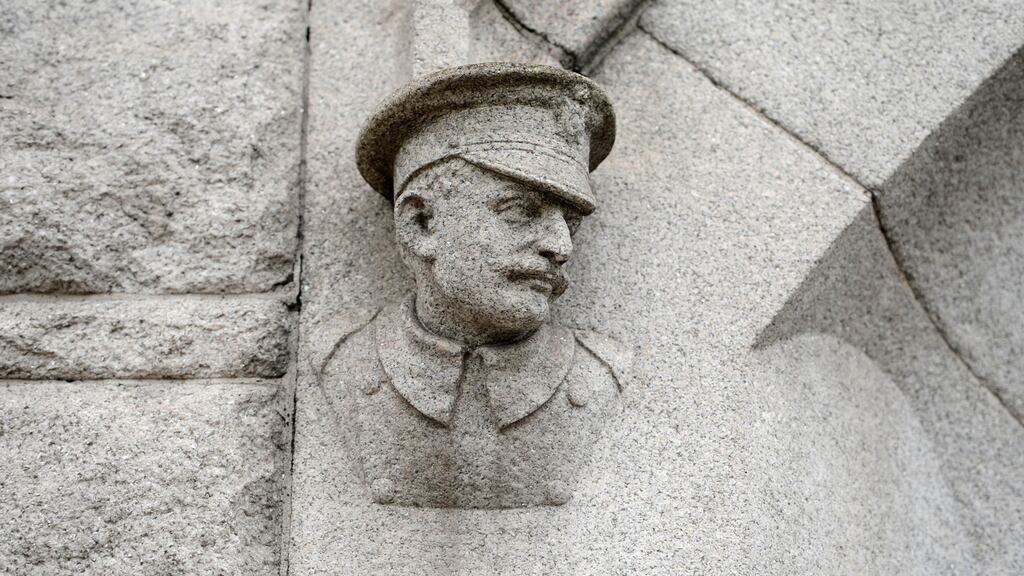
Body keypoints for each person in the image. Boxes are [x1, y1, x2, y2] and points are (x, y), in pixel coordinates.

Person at [321, 63, 632, 508]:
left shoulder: (601, 375)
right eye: (519, 211)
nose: (560, 246)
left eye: (570, 221)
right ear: (421, 224)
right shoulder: (340, 361)